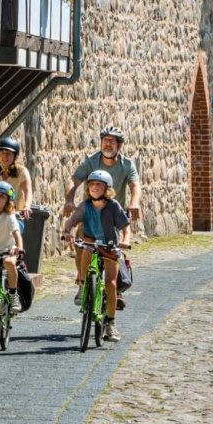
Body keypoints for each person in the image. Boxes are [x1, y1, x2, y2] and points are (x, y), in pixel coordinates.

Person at [61, 169, 130, 341]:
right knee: (86, 249)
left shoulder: (113, 206)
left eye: (98, 184)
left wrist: (125, 240)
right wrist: (66, 230)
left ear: (107, 188)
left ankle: (111, 324)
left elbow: (125, 227)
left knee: (111, 284)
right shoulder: (85, 205)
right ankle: (84, 284)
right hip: (91, 241)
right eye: (91, 184)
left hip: (109, 244)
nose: (94, 187)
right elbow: (73, 219)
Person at [63, 127, 140, 223]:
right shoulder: (90, 161)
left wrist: (134, 203)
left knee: (121, 235)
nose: (107, 144)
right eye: (105, 140)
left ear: (119, 145)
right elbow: (74, 180)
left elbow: (135, 186)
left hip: (114, 216)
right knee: (83, 233)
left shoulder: (127, 165)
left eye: (111, 141)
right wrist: (69, 200)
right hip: (91, 215)